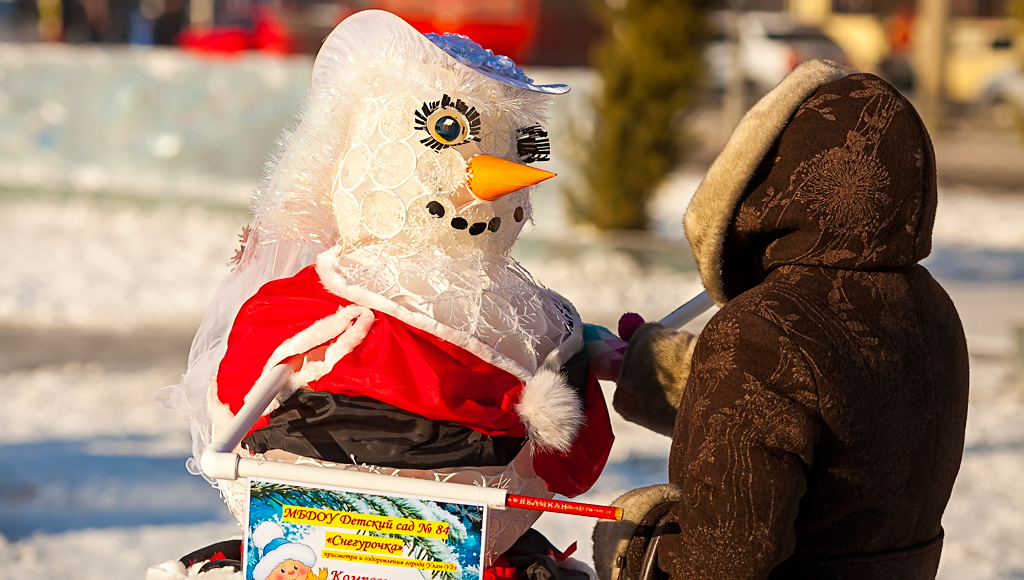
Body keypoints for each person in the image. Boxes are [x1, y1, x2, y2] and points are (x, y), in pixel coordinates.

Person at [592, 59, 970, 580]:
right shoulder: (931, 307)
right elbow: (835, 409)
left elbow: (722, 560)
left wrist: (637, 542)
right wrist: (656, 368)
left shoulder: (763, 326)